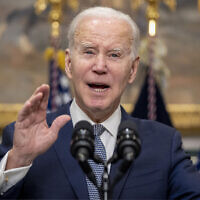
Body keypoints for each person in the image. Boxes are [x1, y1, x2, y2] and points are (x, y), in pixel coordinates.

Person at [0, 6, 200, 200]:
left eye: (114, 54)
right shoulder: (26, 142)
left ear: (132, 70)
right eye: (89, 52)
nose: (100, 66)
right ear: (69, 64)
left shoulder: (165, 143)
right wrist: (19, 160)